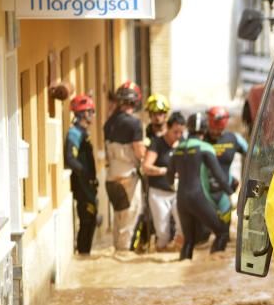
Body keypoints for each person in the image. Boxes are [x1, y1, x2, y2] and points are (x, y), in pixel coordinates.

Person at [167, 112, 233, 260]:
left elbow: (169, 176)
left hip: (181, 200)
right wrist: (230, 193)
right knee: (222, 232)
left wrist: (174, 185)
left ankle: (186, 269)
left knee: (189, 241)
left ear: (188, 129)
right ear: (204, 130)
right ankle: (213, 270)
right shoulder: (205, 148)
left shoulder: (177, 148)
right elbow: (219, 176)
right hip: (198, 197)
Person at [103, 81, 146, 251]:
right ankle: (123, 257)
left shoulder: (109, 122)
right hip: (128, 177)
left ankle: (116, 253)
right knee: (128, 221)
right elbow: (139, 151)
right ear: (135, 101)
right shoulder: (134, 124)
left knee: (118, 218)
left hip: (111, 177)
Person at [141, 112, 186, 251]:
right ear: (167, 127)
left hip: (178, 192)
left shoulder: (183, 143)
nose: (178, 136)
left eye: (181, 132)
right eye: (175, 132)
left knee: (183, 227)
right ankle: (160, 254)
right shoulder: (157, 143)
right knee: (163, 233)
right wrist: (163, 171)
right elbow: (146, 167)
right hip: (158, 193)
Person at [64, 94, 99, 255]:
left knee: (90, 222)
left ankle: (85, 256)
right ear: (83, 113)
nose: (92, 114)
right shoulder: (75, 133)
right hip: (82, 186)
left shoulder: (83, 132)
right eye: (90, 111)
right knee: (87, 221)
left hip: (88, 185)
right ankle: (83, 253)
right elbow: (70, 158)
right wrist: (85, 175)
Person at [203, 106, 247, 225]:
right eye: (213, 129)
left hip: (225, 193)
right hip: (203, 192)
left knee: (223, 232)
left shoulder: (233, 138)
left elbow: (253, 152)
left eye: (219, 130)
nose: (216, 133)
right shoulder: (201, 138)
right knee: (203, 235)